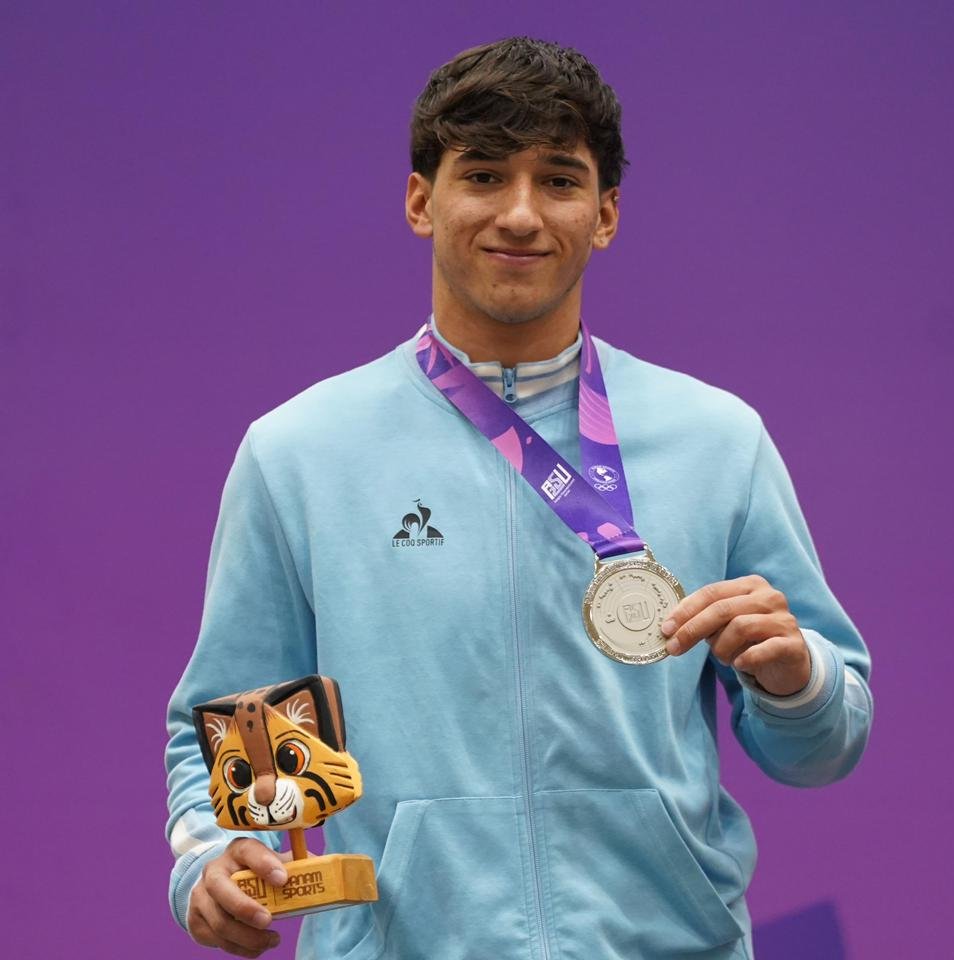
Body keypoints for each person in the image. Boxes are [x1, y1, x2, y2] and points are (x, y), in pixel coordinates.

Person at [164, 36, 873, 960]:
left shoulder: (717, 440)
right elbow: (231, 717)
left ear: (607, 213)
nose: (522, 215)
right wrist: (214, 857)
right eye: (486, 175)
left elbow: (823, 747)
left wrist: (797, 681)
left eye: (561, 181)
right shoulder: (299, 453)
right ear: (423, 200)